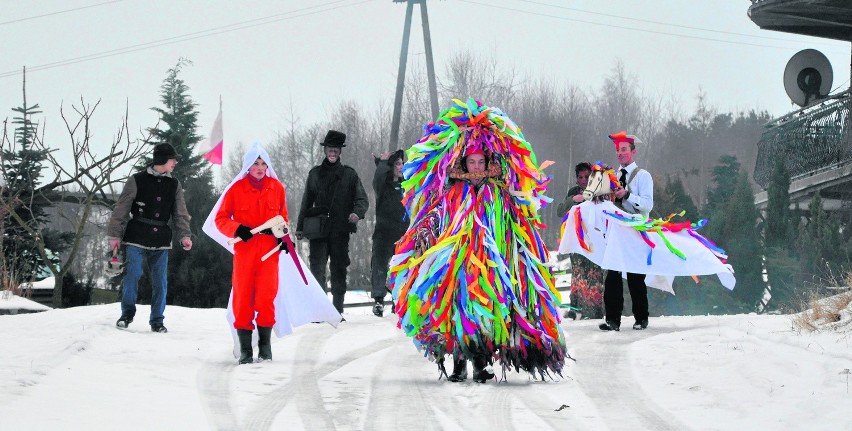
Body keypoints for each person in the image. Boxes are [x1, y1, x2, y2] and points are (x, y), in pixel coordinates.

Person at [389, 99, 567, 384]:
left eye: (480, 161)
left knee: (487, 311)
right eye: (470, 161)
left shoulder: (497, 193)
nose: (475, 166)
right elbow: (434, 215)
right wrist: (423, 237)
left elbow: (516, 223)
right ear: (462, 162)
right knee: (459, 310)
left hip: (490, 265)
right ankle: (460, 362)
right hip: (457, 265)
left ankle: (481, 362)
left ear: (488, 162)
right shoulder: (452, 193)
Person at [202, 143, 341, 364]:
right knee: (243, 298)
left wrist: (283, 240)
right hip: (245, 253)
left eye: (263, 163)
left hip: (269, 252)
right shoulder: (235, 190)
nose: (259, 168)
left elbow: (283, 219)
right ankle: (246, 350)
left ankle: (265, 348)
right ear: (247, 166)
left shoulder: (276, 188)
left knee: (267, 298)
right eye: (255, 164)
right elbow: (220, 219)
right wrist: (237, 229)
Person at [107, 143, 192, 333]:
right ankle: (126, 314)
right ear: (162, 160)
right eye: (172, 159)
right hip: (136, 235)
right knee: (133, 274)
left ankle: (157, 321)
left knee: (160, 281)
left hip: (161, 239)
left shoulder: (175, 185)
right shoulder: (136, 180)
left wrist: (185, 235)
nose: (175, 163)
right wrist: (114, 235)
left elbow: (180, 214)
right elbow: (121, 209)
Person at [295, 130, 369, 314]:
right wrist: (299, 227)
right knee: (317, 268)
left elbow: (362, 199)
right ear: (325, 150)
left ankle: (337, 310)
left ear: (340, 151)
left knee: (339, 269)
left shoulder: (350, 175)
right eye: (330, 149)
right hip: (318, 230)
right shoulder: (314, 174)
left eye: (335, 149)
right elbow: (306, 201)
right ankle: (320, 310)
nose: (332, 152)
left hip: (340, 230)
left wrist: (356, 214)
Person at [599, 131, 654, 332]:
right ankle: (612, 320)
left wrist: (627, 195)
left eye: (623, 150)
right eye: (617, 150)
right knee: (612, 274)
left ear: (633, 152)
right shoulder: (611, 175)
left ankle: (641, 318)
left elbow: (648, 204)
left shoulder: (643, 176)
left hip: (635, 231)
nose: (620, 154)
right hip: (616, 231)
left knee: (635, 276)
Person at [557, 162, 605, 320]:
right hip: (577, 241)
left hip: (594, 241)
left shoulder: (600, 191)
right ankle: (575, 310)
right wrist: (573, 199)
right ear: (577, 179)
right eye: (580, 177)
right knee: (578, 274)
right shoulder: (573, 192)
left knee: (594, 275)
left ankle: (594, 312)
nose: (583, 180)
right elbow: (560, 211)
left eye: (587, 177)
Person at [370, 149, 408, 317]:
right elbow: (377, 179)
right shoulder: (382, 187)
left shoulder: (407, 184)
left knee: (401, 268)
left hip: (403, 233)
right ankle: (378, 300)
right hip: (383, 232)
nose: (401, 167)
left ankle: (398, 300)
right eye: (397, 164)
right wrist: (383, 163)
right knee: (379, 266)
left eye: (402, 163)